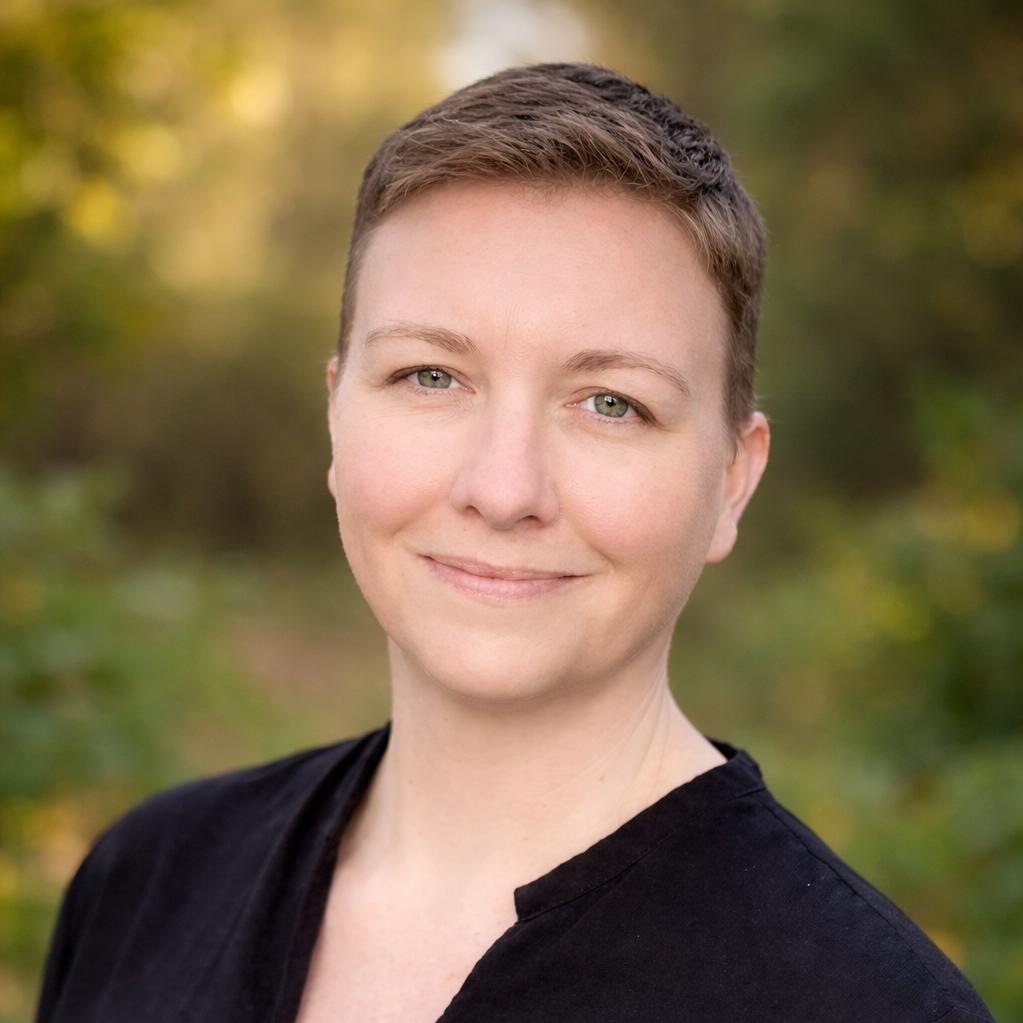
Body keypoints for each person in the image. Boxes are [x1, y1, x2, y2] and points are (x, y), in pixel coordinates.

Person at [36, 64, 993, 1023]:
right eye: (429, 376)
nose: (503, 490)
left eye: (611, 403)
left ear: (731, 482)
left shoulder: (867, 1003)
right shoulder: (148, 880)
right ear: (336, 417)